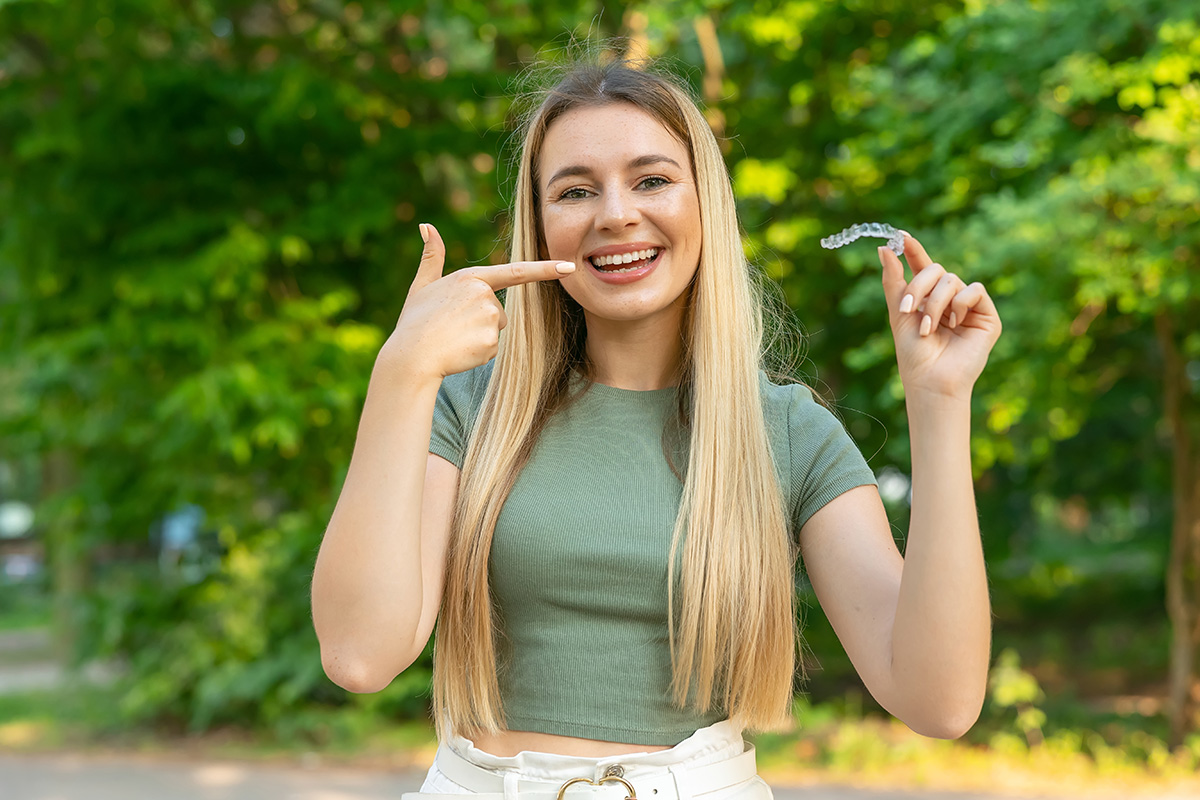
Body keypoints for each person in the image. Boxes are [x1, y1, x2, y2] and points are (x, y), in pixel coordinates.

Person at [311, 54, 1001, 800]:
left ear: (705, 202)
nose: (615, 213)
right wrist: (401, 372)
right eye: (575, 190)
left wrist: (939, 403)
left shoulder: (790, 432)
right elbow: (358, 656)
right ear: (539, 222)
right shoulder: (467, 407)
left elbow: (940, 701)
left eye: (652, 180)